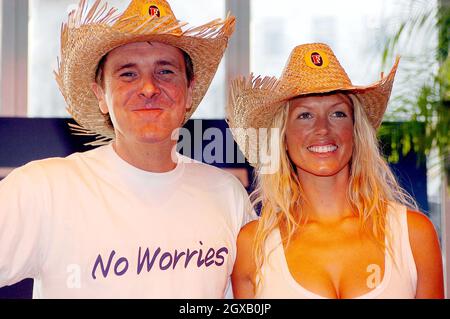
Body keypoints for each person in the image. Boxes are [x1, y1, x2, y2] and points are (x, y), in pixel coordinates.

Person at [0, 0, 253, 298]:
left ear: (189, 91)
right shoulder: (43, 189)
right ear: (101, 95)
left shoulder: (227, 195)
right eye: (128, 74)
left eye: (166, 72)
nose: (148, 88)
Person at [227, 43, 444, 299]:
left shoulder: (414, 235)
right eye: (305, 115)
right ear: (283, 136)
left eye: (338, 113)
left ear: (355, 131)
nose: (322, 129)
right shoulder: (253, 246)